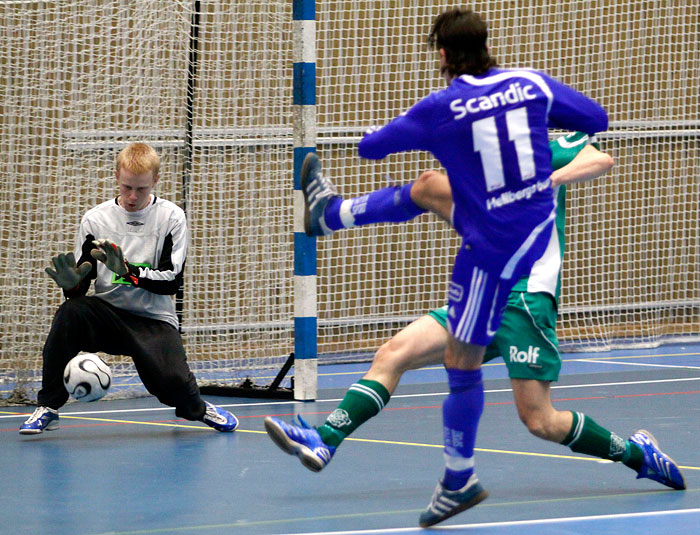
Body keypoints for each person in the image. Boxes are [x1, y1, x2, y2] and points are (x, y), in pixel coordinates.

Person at [272, 7, 614, 527]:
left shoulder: (448, 107)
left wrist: (545, 173)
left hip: (509, 268)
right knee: (401, 334)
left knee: (530, 413)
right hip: (516, 238)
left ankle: (471, 476)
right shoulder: (531, 87)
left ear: (443, 53)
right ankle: (328, 437)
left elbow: (370, 148)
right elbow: (596, 118)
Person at [264, 133, 686, 506]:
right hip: (481, 293)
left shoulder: (544, 151)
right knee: (394, 353)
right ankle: (326, 439)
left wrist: (550, 181)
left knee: (540, 421)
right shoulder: (475, 170)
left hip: (525, 302)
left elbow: (601, 159)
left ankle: (636, 454)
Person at [20, 142, 238, 435]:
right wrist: (72, 286)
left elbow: (171, 280)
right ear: (116, 177)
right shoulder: (95, 220)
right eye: (126, 188)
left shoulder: (171, 218)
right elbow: (82, 283)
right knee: (70, 312)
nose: (133, 197)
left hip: (152, 318)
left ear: (155, 182)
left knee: (173, 384)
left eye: (142, 189)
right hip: (107, 313)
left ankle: (197, 407)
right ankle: (48, 406)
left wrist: (127, 272)